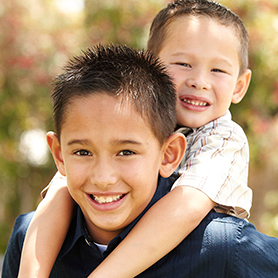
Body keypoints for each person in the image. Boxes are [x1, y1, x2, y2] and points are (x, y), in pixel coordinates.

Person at [15, 1, 255, 277]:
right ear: (152, 67)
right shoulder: (125, 121)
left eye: (218, 70)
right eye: (183, 64)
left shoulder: (224, 139)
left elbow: (186, 208)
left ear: (239, 86)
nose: (199, 81)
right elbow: (59, 195)